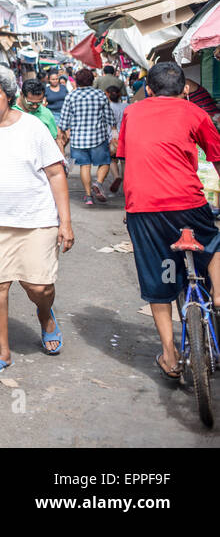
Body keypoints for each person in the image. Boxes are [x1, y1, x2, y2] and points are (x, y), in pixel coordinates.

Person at [0, 64, 74, 373]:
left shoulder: (33, 127)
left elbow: (55, 173)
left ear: (8, 95)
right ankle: (3, 351)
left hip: (36, 220)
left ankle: (45, 315)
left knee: (39, 286)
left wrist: (66, 222)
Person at [116, 61, 220, 381]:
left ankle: (170, 355)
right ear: (185, 90)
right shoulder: (195, 113)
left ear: (148, 90)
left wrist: (130, 203)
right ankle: (217, 295)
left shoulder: (132, 113)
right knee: (213, 241)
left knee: (159, 279)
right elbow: (216, 155)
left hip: (144, 209)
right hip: (188, 203)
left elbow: (124, 159)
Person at [57, 68, 117, 206]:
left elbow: (64, 121)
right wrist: (114, 130)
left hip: (78, 140)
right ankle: (98, 182)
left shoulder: (71, 96)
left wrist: (61, 135)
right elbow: (109, 116)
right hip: (98, 138)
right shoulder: (100, 95)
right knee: (105, 162)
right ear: (92, 81)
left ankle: (88, 196)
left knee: (85, 166)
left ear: (76, 82)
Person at [105, 84, 128, 194]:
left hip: (112, 137)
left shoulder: (107, 107)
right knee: (124, 162)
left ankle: (116, 176)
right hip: (125, 136)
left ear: (107, 95)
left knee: (112, 160)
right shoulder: (126, 106)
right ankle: (125, 185)